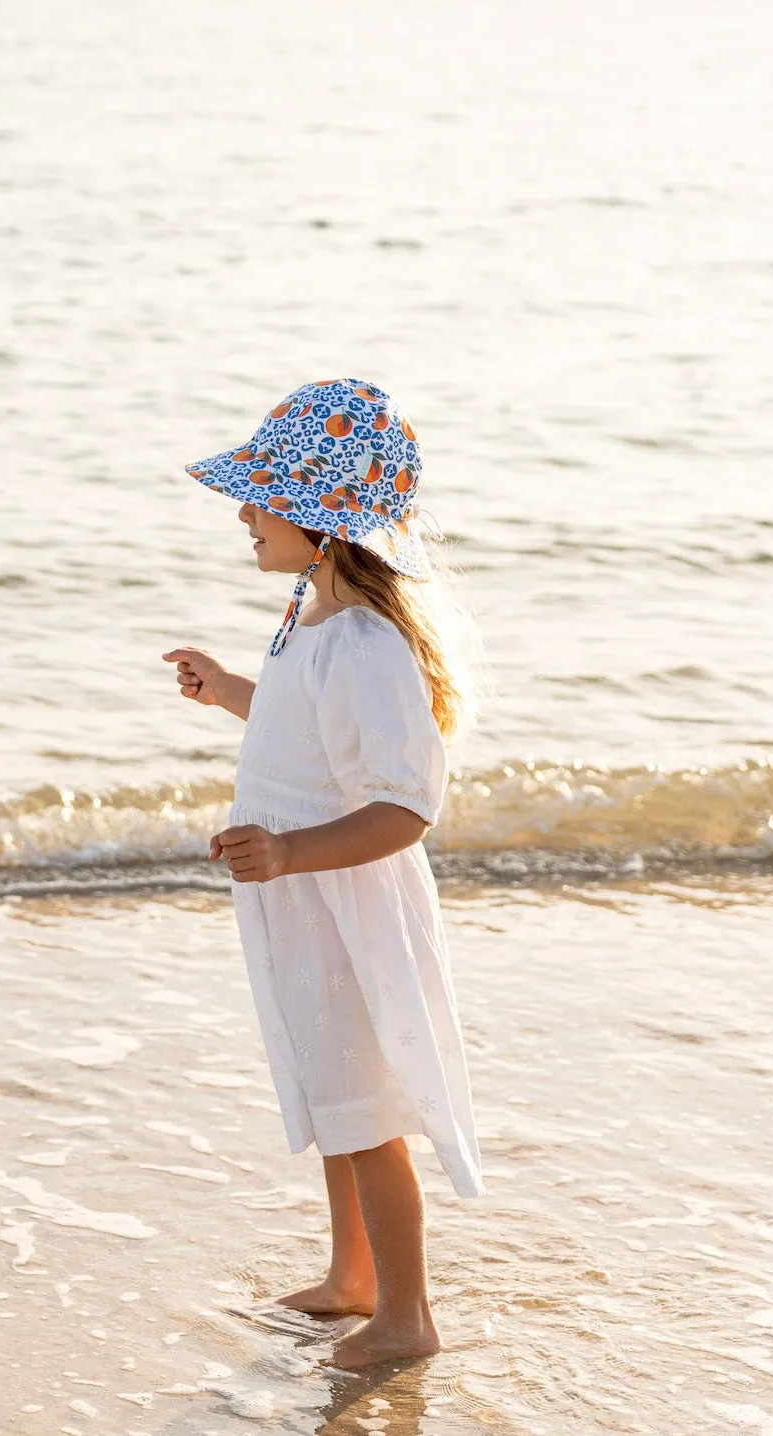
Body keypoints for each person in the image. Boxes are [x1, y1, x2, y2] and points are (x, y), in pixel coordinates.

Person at [163, 377, 482, 1370]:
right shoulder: (312, 612)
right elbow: (301, 726)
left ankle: (408, 1317)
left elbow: (403, 806)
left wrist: (294, 851)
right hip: (303, 904)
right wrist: (229, 693)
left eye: (260, 498)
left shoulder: (368, 643)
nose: (245, 516)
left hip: (346, 898)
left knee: (368, 1106)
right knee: (332, 1088)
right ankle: (353, 1278)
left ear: (320, 518)